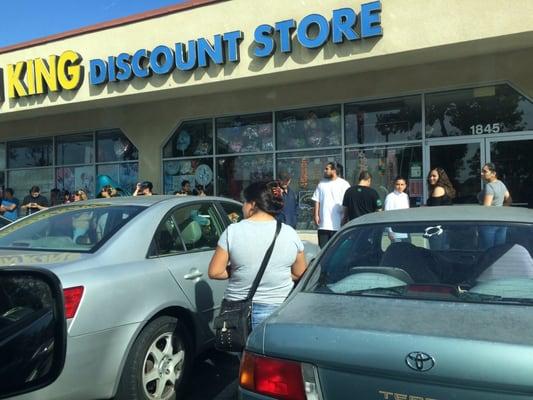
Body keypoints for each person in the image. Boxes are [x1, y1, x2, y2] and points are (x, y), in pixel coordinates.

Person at [208, 181, 306, 330]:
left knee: (241, 352)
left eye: (244, 202)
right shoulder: (290, 233)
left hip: (237, 310)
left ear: (252, 204)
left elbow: (215, 272)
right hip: (277, 308)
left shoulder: (233, 231)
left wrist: (238, 270)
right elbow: (299, 273)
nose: (242, 207)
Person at [312, 161, 350, 248]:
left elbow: (347, 202)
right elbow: (316, 200)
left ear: (334, 170)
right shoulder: (321, 184)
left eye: (327, 169)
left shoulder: (344, 184)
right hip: (323, 225)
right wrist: (316, 215)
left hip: (338, 225)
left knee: (336, 250)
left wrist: (344, 218)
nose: (324, 171)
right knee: (323, 249)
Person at [478, 162, 512, 249]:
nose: (481, 173)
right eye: (482, 171)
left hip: (488, 223)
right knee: (498, 251)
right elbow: (509, 200)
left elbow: (487, 208)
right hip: (501, 221)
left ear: (493, 173)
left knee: (487, 251)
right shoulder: (501, 183)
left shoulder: (489, 186)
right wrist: (500, 212)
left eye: (485, 171)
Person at [384, 176, 410, 242]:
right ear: (394, 185)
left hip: (406, 230)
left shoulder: (405, 196)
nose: (400, 187)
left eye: (402, 184)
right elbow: (387, 215)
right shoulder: (390, 197)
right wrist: (389, 231)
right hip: (395, 231)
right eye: (398, 184)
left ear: (405, 185)